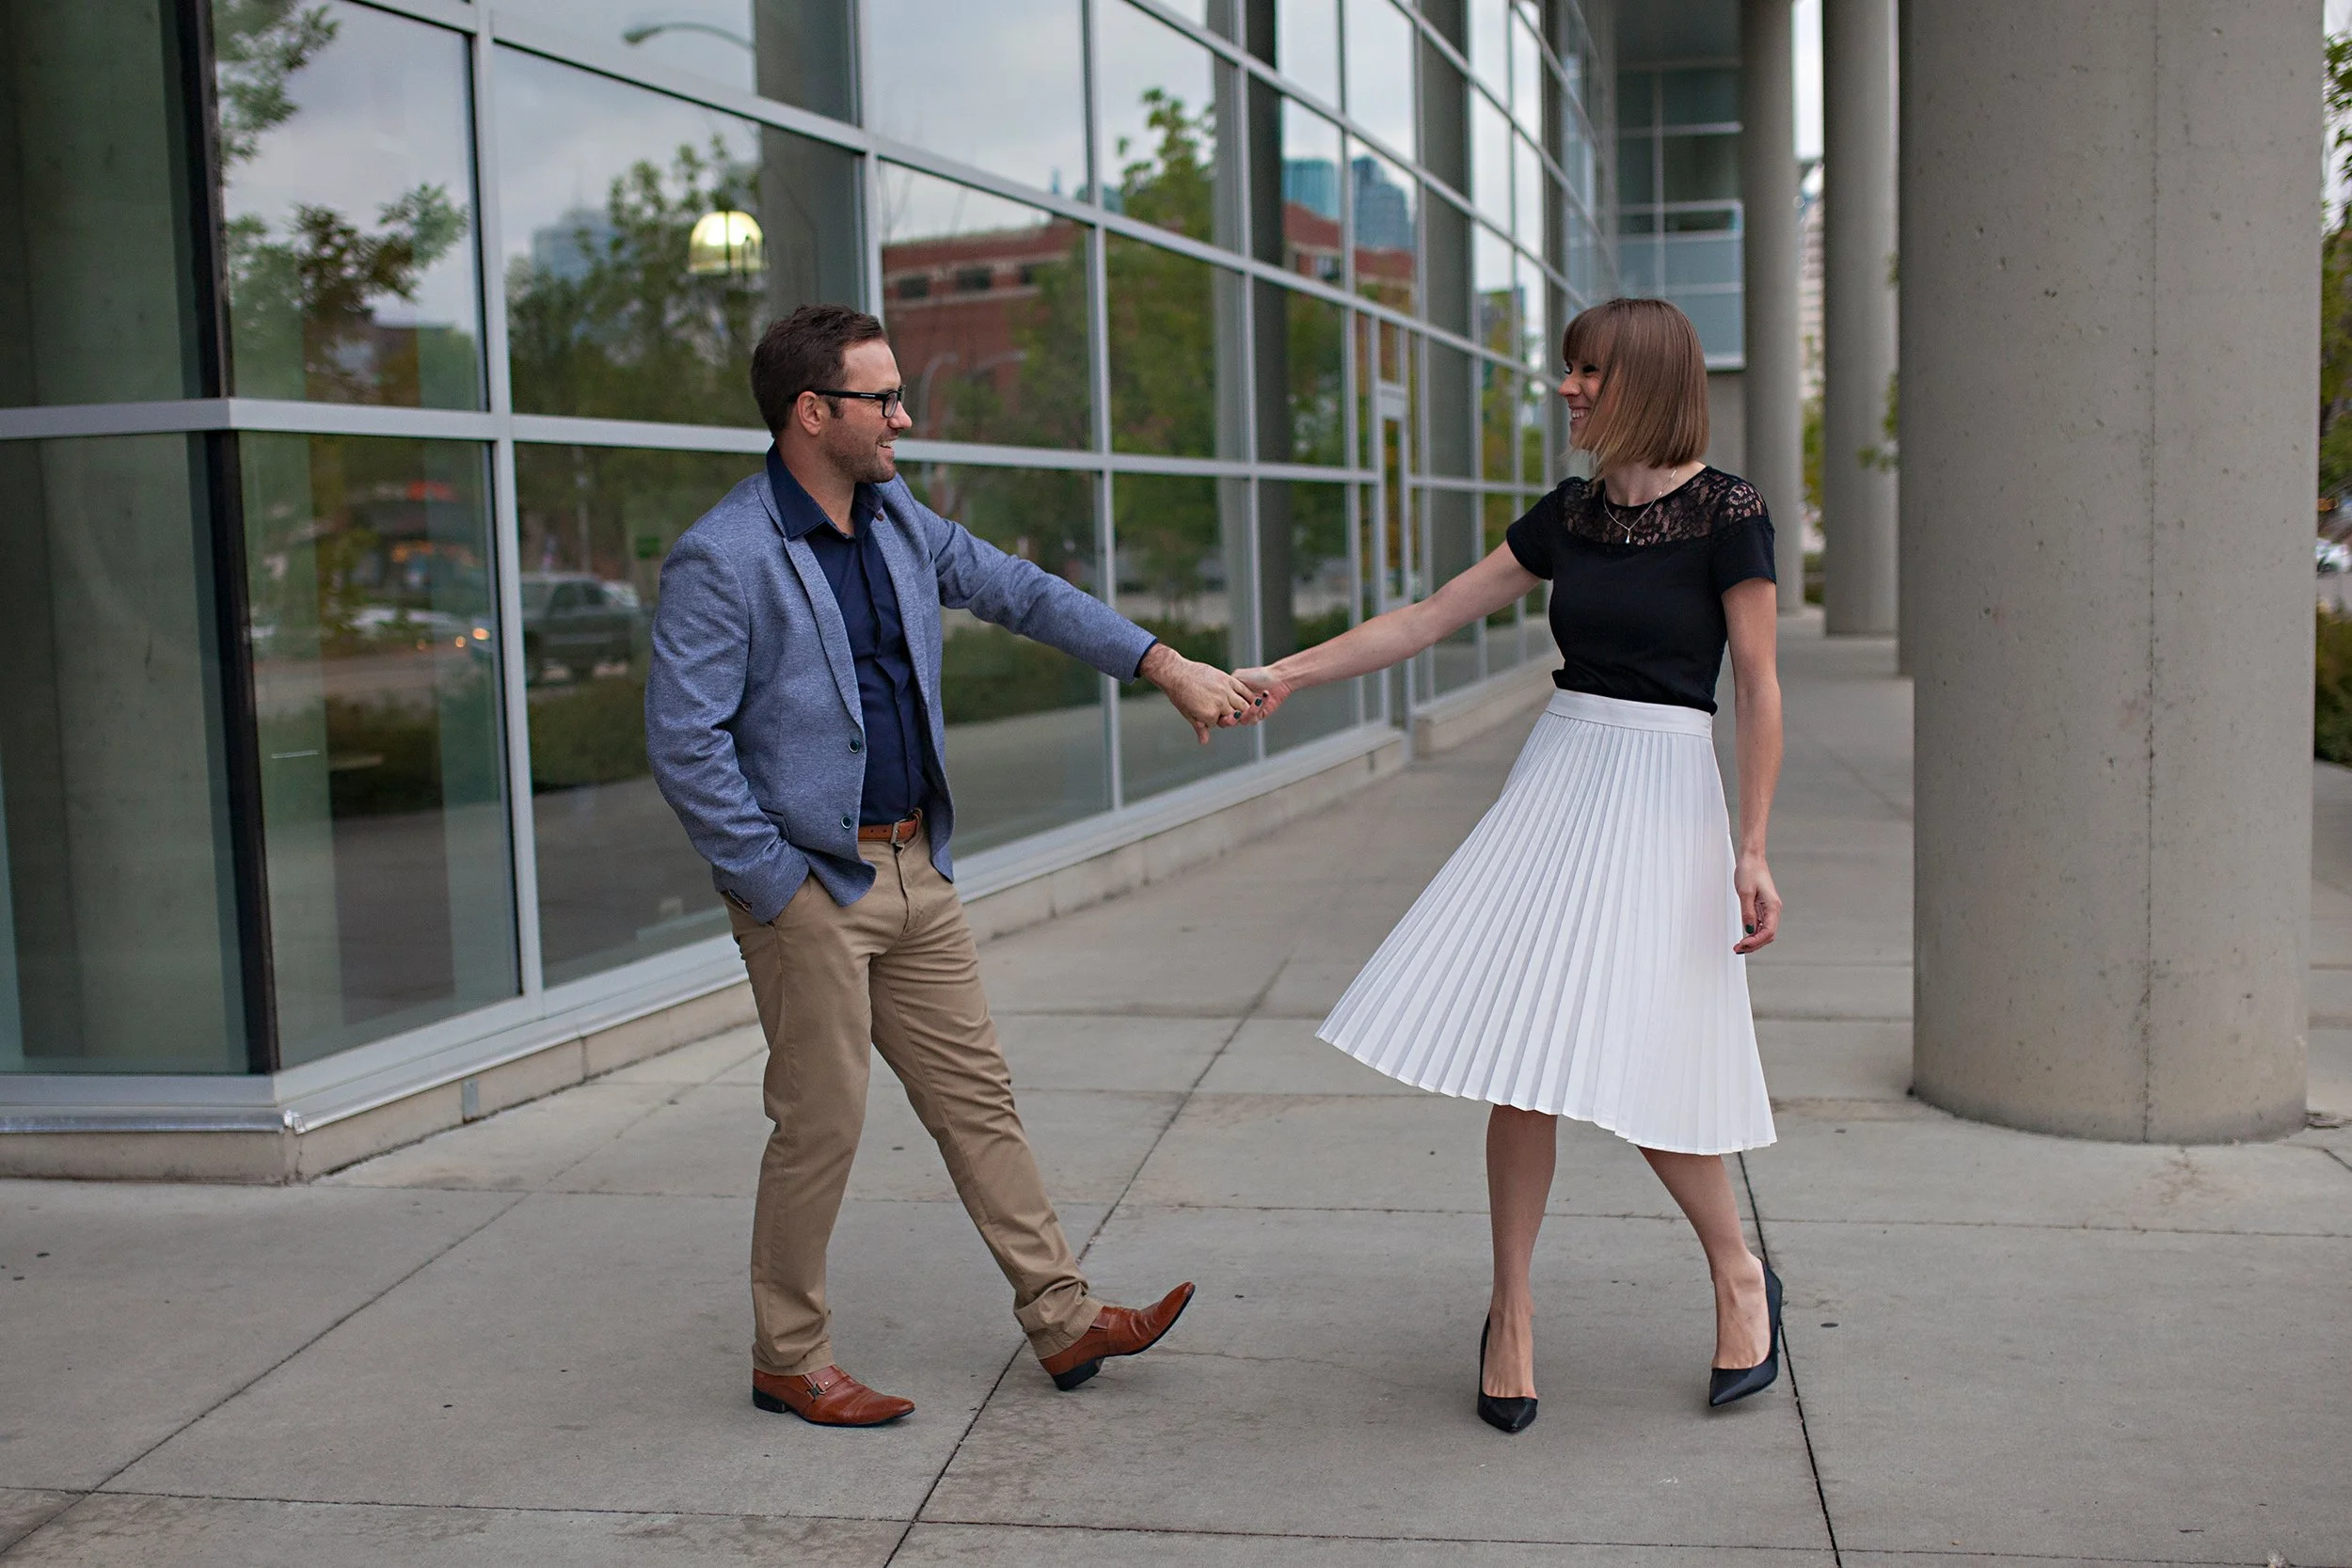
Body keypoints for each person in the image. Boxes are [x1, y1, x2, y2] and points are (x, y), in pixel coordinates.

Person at [647, 303, 1266, 1427]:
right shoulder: (724, 555)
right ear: (810, 412)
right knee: (821, 1122)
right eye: (880, 398)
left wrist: (1162, 662)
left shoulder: (894, 518)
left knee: (979, 1099)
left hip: (915, 867)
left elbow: (1020, 589)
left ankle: (1063, 1314)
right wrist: (773, 879)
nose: (903, 415)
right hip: (810, 887)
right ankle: (789, 1354)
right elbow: (683, 741)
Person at [1237, 297, 1786, 1433]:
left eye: (1587, 371)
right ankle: (1512, 1308)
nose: (1569, 389)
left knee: (1647, 1055)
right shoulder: (1570, 515)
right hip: (1559, 778)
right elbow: (1429, 616)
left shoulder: (1730, 513)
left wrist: (1752, 845)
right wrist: (1285, 672)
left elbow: (1760, 683)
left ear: (1641, 376)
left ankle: (1738, 1271)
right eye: (1569, 370)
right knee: (1523, 1052)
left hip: (1663, 789)